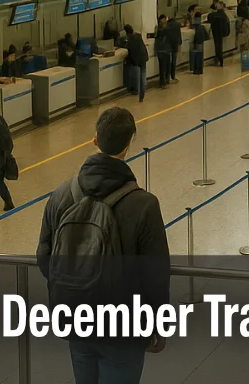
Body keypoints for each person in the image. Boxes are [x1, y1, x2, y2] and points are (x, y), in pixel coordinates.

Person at [37, 108, 169, 384]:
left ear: (94, 139)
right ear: (129, 143)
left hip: (75, 319)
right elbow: (155, 274)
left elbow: (44, 257)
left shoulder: (62, 194)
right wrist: (159, 322)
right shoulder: (143, 204)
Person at [123, 24, 149, 103]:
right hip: (144, 57)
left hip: (137, 60)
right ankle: (142, 94)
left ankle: (133, 89)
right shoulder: (138, 35)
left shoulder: (129, 41)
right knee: (143, 74)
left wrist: (126, 59)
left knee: (136, 74)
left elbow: (130, 51)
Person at [208, 0, 231, 67]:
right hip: (221, 32)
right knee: (219, 46)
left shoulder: (215, 14)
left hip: (216, 32)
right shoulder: (223, 14)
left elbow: (210, 18)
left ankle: (218, 59)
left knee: (217, 46)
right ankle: (220, 60)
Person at [153, 15, 173, 89]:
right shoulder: (162, 29)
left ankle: (165, 80)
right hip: (163, 50)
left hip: (164, 50)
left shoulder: (162, 29)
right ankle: (163, 82)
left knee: (165, 66)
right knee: (163, 67)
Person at [163, 15, 182, 83]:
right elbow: (179, 35)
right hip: (175, 45)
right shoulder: (177, 25)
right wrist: (180, 42)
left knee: (168, 62)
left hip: (168, 46)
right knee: (174, 62)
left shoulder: (166, 26)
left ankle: (167, 77)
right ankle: (173, 76)